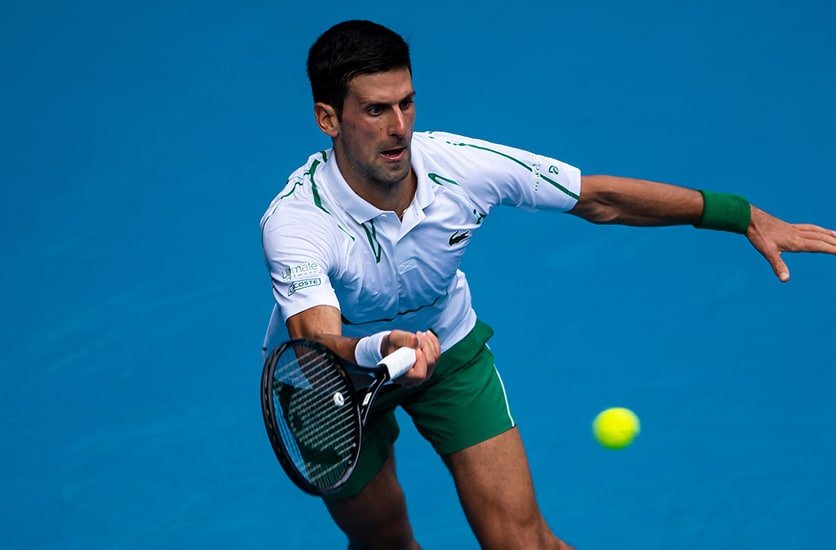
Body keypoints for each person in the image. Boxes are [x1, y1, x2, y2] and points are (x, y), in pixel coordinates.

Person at [259, 19, 836, 549]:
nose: (400, 128)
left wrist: (739, 214)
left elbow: (598, 198)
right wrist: (382, 347)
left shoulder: (458, 165)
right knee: (385, 542)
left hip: (449, 349)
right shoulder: (296, 221)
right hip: (337, 386)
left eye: (407, 103)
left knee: (524, 544)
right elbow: (314, 351)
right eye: (376, 110)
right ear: (328, 118)